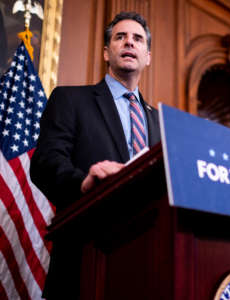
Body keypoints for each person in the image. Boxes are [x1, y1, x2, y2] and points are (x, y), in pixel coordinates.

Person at [30, 11, 161, 299]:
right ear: (106, 52)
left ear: (148, 56)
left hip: (148, 260)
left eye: (137, 39)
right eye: (120, 37)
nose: (129, 42)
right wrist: (82, 183)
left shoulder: (161, 124)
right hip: (86, 254)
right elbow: (45, 162)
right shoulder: (70, 100)